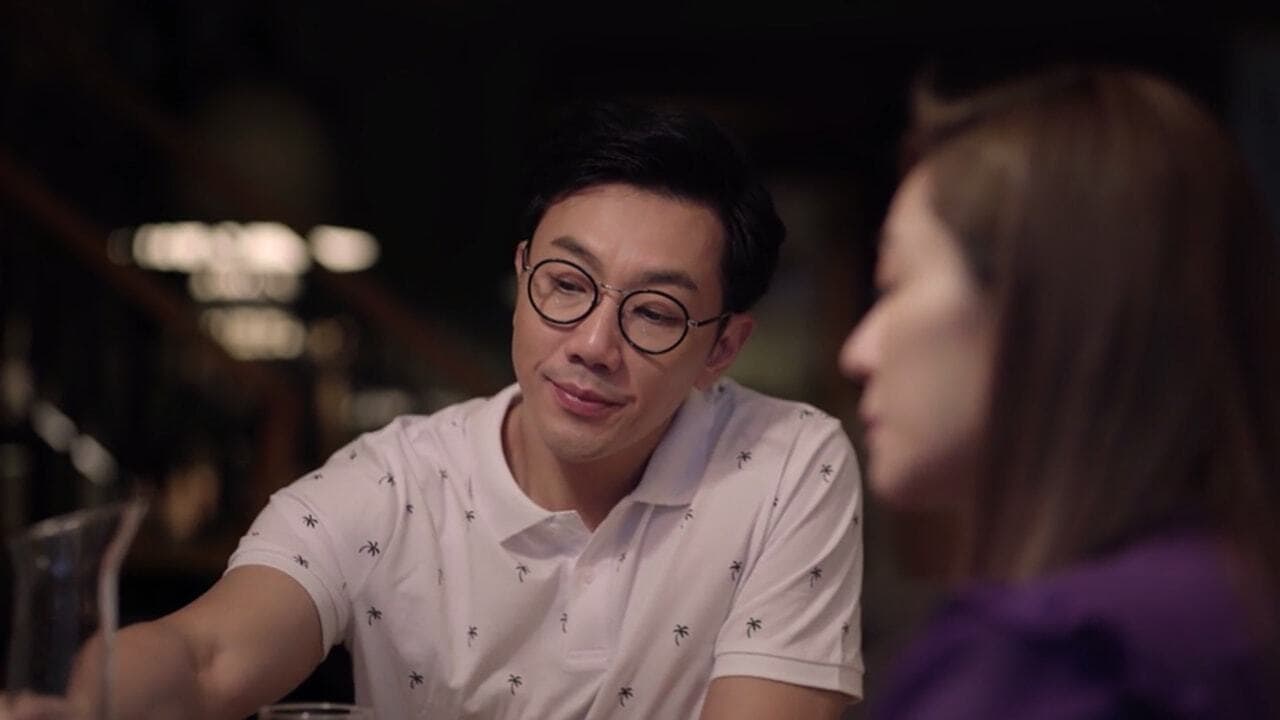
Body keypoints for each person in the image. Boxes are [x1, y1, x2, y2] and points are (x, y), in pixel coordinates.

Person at [5, 102, 863, 719]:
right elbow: (205, 655)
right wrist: (86, 701)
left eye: (655, 312)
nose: (594, 343)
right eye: (566, 285)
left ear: (721, 347)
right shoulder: (397, 485)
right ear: (521, 279)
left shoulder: (786, 463)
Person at [840, 64, 1280, 718]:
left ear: (1036, 310)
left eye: (893, 284)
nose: (857, 352)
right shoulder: (1236, 608)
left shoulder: (1047, 662)